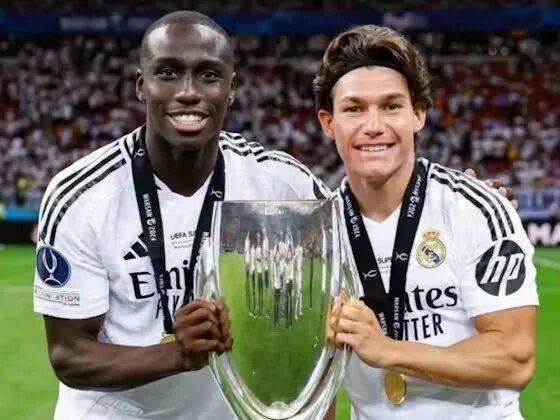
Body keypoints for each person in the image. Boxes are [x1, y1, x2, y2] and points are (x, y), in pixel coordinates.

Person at [33, 11, 328, 420]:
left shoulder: (285, 185)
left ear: (231, 89)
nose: (188, 92)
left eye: (208, 75)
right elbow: (69, 354)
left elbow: (328, 321)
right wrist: (176, 354)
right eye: (168, 73)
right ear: (142, 85)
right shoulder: (81, 196)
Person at [317, 25, 538, 419]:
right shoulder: (317, 232)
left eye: (391, 106)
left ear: (418, 115)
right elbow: (317, 382)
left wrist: (388, 350)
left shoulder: (476, 209)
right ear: (328, 122)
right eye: (354, 109)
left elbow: (514, 359)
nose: (373, 125)